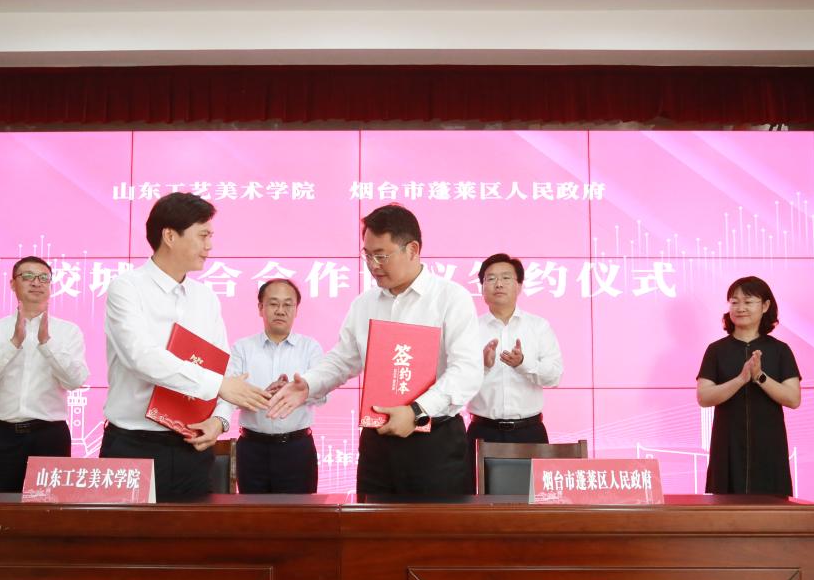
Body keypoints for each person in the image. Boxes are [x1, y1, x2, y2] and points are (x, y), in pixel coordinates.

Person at [268, 203, 482, 495]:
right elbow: (343, 360)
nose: (373, 265)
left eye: (381, 255)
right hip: (377, 442)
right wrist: (308, 384)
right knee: (371, 522)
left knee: (434, 525)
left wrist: (417, 411)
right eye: (367, 255)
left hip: (434, 442)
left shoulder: (450, 298)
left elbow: (466, 371)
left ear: (412, 249)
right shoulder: (364, 303)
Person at [100, 192, 270, 501]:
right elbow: (141, 358)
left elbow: (223, 367)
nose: (210, 245)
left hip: (192, 446)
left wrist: (219, 420)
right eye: (203, 235)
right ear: (169, 236)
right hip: (134, 445)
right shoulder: (127, 288)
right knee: (128, 533)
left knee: (193, 532)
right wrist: (219, 386)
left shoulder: (206, 298)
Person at [0, 256, 89, 492]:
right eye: (27, 276)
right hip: (1, 435)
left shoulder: (68, 331)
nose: (36, 282)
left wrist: (47, 344)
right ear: (13, 284)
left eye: (44, 278)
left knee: (49, 511)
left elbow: (75, 381)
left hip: (49, 436)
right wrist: (14, 343)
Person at [696, 276, 802, 495]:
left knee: (771, 510)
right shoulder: (716, 350)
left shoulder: (780, 350)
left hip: (769, 446)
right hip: (728, 446)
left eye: (748, 301)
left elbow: (793, 399)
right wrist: (740, 380)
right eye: (734, 302)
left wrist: (760, 377)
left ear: (765, 306)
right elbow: (704, 397)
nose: (740, 308)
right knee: (724, 509)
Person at [228, 279, 324, 493]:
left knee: (300, 512)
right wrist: (262, 395)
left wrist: (296, 392)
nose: (280, 310)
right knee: (253, 511)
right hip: (252, 448)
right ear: (260, 308)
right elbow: (229, 395)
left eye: (288, 304)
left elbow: (323, 395)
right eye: (273, 304)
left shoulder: (310, 348)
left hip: (297, 448)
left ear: (296, 310)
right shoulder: (242, 348)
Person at [466, 254, 563, 458]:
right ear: (482, 288)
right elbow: (456, 384)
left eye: (506, 278)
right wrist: (482, 366)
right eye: (491, 278)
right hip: (482, 432)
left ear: (519, 286)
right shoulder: (468, 329)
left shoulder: (539, 326)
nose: (498, 284)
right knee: (475, 481)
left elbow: (554, 377)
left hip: (530, 432)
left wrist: (523, 363)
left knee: (532, 481)